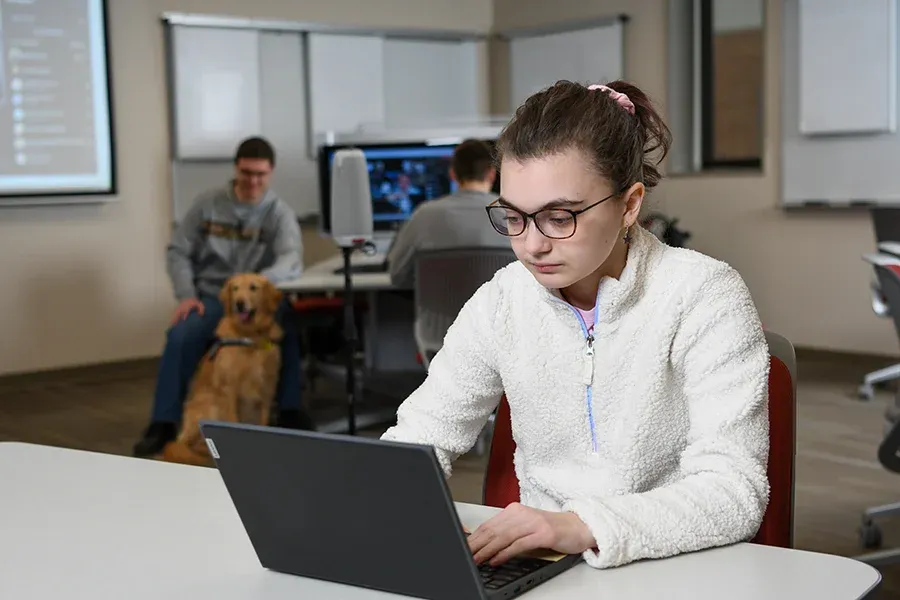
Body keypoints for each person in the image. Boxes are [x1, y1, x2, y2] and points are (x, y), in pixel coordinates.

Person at [381, 81, 770, 569]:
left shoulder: (703, 294)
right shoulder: (501, 301)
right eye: (514, 217)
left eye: (559, 216)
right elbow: (423, 434)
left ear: (629, 205)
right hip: (543, 566)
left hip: (671, 560)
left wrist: (579, 525)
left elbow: (734, 492)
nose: (532, 246)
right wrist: (371, 500)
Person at [133, 136, 315, 458]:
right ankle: (162, 422)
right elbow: (178, 251)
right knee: (180, 335)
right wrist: (186, 295)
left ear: (270, 172)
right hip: (213, 299)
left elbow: (291, 259)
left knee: (288, 325)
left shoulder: (279, 213)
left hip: (257, 301)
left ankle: (289, 411)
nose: (253, 181)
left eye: (260, 174)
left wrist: (259, 284)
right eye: (247, 173)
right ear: (236, 169)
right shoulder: (207, 204)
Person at [387, 139, 511, 288]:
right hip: (497, 310)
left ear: (453, 174)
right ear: (491, 174)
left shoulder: (423, 215)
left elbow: (397, 276)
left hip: (437, 311)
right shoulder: (511, 214)